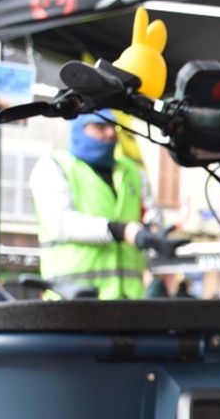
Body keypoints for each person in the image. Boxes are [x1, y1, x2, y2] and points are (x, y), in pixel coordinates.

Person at [29, 111, 173, 299]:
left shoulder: (133, 172)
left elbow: (151, 216)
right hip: (73, 302)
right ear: (79, 130)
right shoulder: (54, 166)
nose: (111, 133)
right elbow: (61, 223)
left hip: (128, 301)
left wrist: (154, 234)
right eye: (100, 127)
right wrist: (121, 231)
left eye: (114, 127)